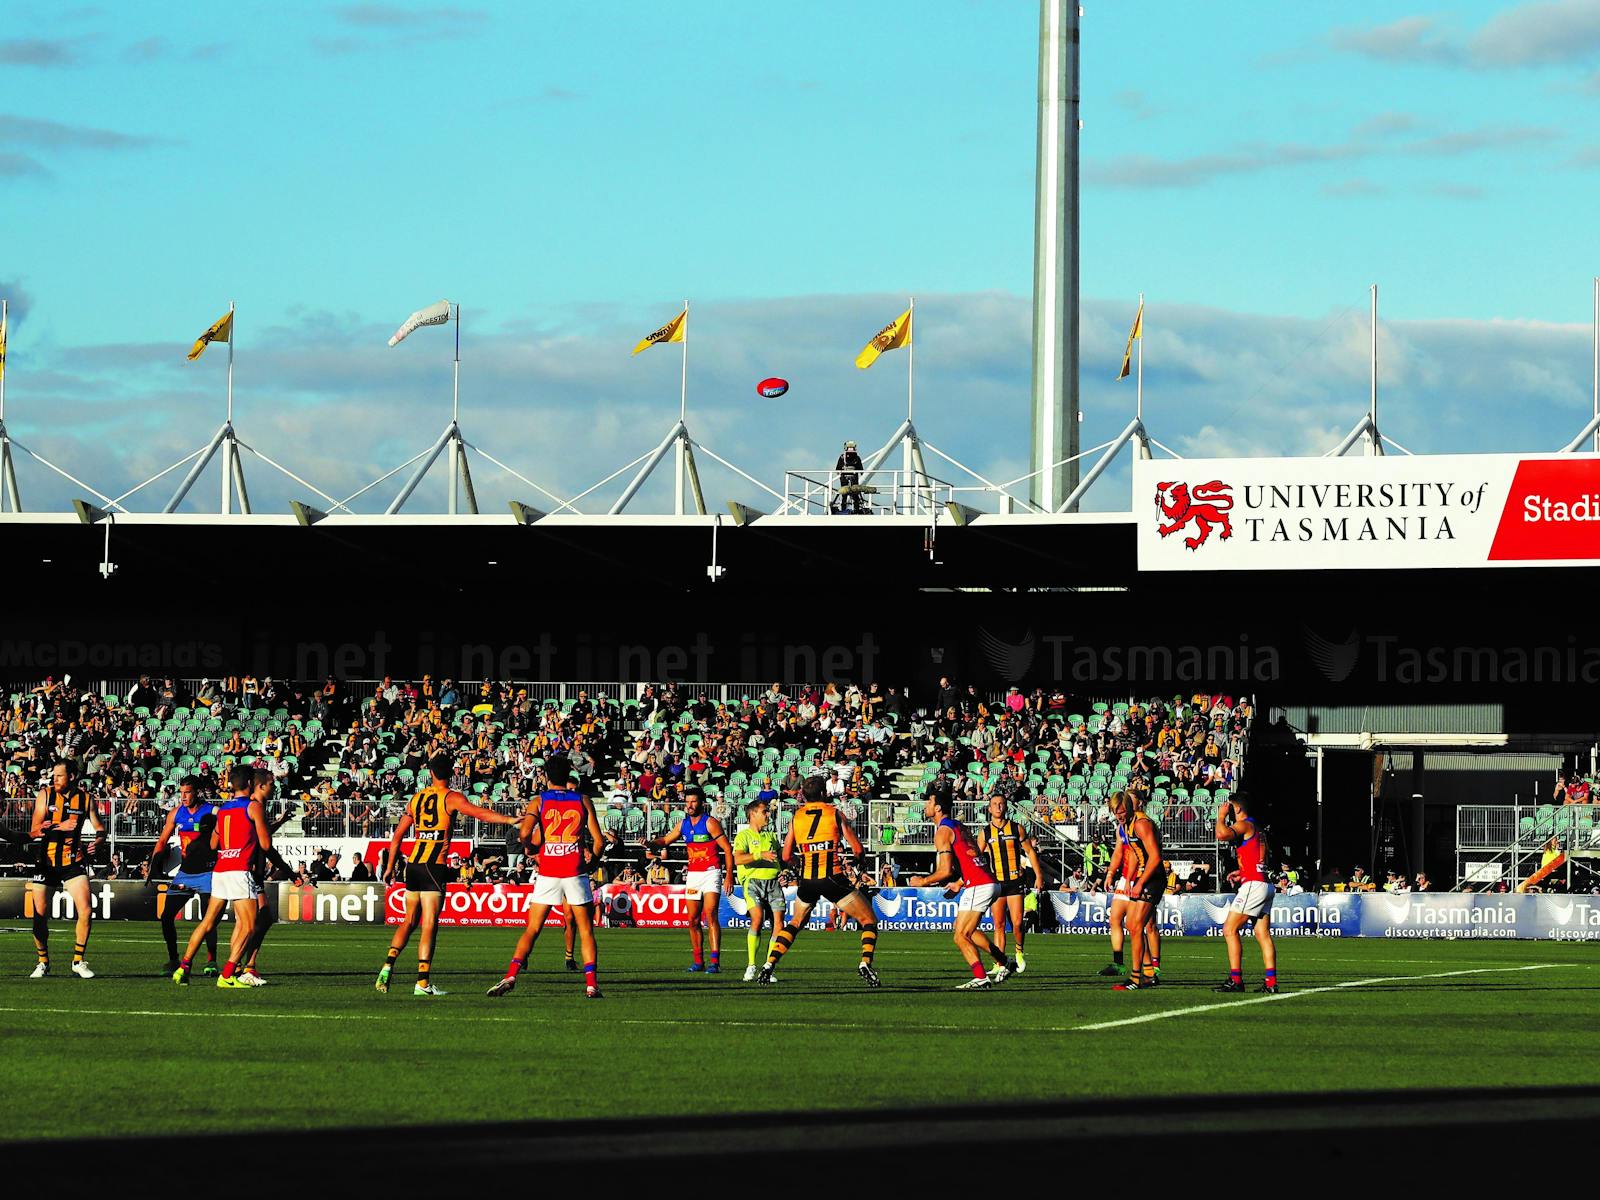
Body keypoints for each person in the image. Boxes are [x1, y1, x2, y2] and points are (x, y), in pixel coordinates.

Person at [376, 753, 517, 997]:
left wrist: (389, 867)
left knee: (408, 920)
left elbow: (397, 835)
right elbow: (479, 813)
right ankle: (422, 983)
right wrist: (510, 819)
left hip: (414, 865)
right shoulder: (451, 797)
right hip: (434, 865)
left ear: (430, 773)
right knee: (429, 923)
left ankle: (388, 964)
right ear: (451, 773)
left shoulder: (416, 799)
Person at [487, 759, 604, 999]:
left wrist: (530, 850)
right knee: (586, 931)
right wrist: (591, 863)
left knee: (532, 928)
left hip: (548, 871)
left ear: (547, 777)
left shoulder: (539, 801)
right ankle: (591, 985)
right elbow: (599, 841)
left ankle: (511, 974)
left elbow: (524, 833)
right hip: (574, 870)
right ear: (568, 775)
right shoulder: (583, 800)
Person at [756, 775, 879, 988]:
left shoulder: (797, 817)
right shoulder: (834, 813)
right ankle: (865, 963)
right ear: (824, 793)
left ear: (803, 794)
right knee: (868, 920)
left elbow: (785, 856)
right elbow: (857, 848)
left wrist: (799, 863)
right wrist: (860, 861)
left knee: (795, 923)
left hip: (808, 880)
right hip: (832, 877)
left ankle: (768, 965)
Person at [174, 765, 273, 988]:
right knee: (249, 926)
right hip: (240, 870)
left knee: (208, 922)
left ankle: (183, 967)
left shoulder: (224, 809)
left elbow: (213, 843)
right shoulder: (253, 807)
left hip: (220, 870)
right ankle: (228, 974)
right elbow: (265, 844)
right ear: (249, 784)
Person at [909, 786, 1013, 990]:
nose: (925, 806)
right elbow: (971, 857)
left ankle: (981, 978)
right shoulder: (958, 825)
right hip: (986, 881)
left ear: (938, 808)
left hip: (979, 884)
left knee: (960, 936)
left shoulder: (942, 832)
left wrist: (922, 881)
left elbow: (945, 870)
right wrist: (960, 883)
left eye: (929, 802)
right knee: (964, 928)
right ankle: (1004, 962)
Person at [28, 759, 104, 979]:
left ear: (71, 776)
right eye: (54, 776)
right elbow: (34, 829)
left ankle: (78, 961)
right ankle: (43, 961)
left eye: (59, 776)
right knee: (39, 916)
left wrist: (98, 841)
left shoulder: (86, 799)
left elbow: (100, 827)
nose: (55, 779)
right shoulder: (45, 795)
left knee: (86, 910)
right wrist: (61, 826)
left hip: (73, 861)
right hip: (46, 863)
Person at [649, 785, 734, 974]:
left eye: (693, 801)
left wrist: (729, 875)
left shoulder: (710, 823)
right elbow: (664, 841)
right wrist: (650, 843)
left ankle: (714, 961)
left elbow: (727, 849)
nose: (689, 805)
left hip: (711, 872)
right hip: (694, 875)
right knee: (692, 920)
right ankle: (698, 961)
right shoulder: (682, 824)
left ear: (701, 803)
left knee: (710, 914)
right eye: (687, 802)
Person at [144, 775, 219, 976]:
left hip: (208, 873)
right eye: (182, 792)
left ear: (197, 792)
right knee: (166, 915)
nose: (183, 797)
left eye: (187, 792)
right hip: (185, 874)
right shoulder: (177, 813)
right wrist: (153, 866)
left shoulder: (211, 811)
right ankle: (173, 959)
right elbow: (162, 841)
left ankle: (211, 961)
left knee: (208, 919)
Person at [1213, 793, 1278, 994]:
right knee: (1262, 933)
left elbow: (1222, 835)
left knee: (1229, 929)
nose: (1229, 809)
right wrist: (1242, 871)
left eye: (1230, 807)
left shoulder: (1245, 824)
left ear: (1238, 809)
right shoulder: (1257, 828)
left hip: (1254, 885)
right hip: (1264, 883)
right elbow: (1259, 858)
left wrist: (1221, 817)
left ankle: (1236, 980)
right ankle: (1271, 983)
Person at [977, 793, 1045, 976]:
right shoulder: (984, 833)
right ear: (989, 808)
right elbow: (977, 859)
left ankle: (1019, 952)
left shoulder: (1017, 828)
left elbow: (1030, 852)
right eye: (995, 804)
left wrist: (1039, 875)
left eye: (1001, 804)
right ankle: (1000, 963)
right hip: (996, 883)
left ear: (1006, 807)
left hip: (1015, 881)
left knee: (1016, 923)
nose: (998, 807)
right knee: (998, 924)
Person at [1107, 790, 1164, 993]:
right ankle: (1149, 973)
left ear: (1130, 808)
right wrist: (1130, 879)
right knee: (1133, 926)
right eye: (1116, 813)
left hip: (1153, 879)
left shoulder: (1141, 824)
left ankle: (1135, 977)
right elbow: (1131, 856)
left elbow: (1155, 857)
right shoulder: (1127, 825)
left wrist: (1140, 882)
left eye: (1122, 812)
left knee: (1136, 926)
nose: (1120, 816)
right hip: (1142, 878)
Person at [733, 798, 785, 982]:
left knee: (779, 925)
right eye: (765, 812)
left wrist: (786, 868)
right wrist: (759, 854)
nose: (768, 815)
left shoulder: (771, 836)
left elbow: (781, 858)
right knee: (757, 919)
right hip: (753, 882)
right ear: (753, 814)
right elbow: (738, 860)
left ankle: (768, 967)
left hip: (773, 882)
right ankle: (751, 965)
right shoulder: (743, 836)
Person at [833, 439, 865, 515]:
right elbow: (861, 470)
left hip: (847, 477)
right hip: (849, 477)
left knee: (851, 493)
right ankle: (855, 510)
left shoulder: (852, 458)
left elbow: (838, 469)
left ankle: (846, 510)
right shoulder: (854, 458)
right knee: (850, 493)